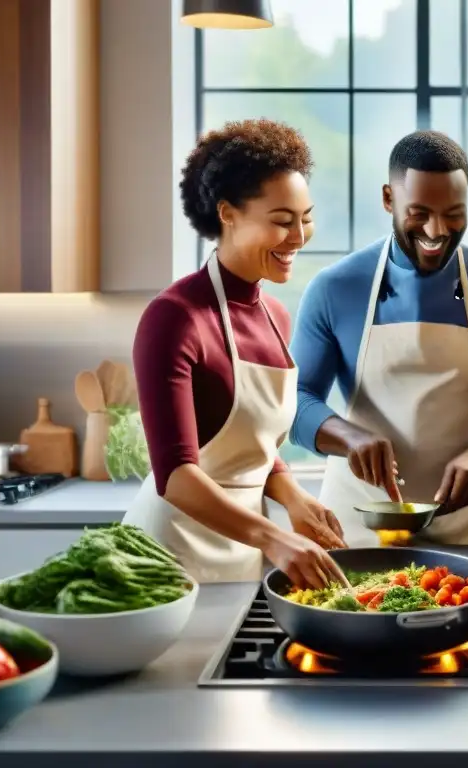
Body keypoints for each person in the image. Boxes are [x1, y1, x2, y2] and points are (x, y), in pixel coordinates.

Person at [289, 130, 468, 547]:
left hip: (467, 527)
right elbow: (295, 400)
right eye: (420, 212)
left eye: (454, 213)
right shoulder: (335, 288)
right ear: (388, 200)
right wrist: (349, 436)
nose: (437, 230)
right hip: (359, 524)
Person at [124, 118, 348, 589]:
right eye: (282, 221)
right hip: (166, 559)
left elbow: (253, 447)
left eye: (305, 218)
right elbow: (176, 475)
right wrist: (275, 539)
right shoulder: (174, 318)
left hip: (244, 551)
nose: (299, 237)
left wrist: (292, 497)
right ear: (227, 213)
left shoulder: (275, 315)